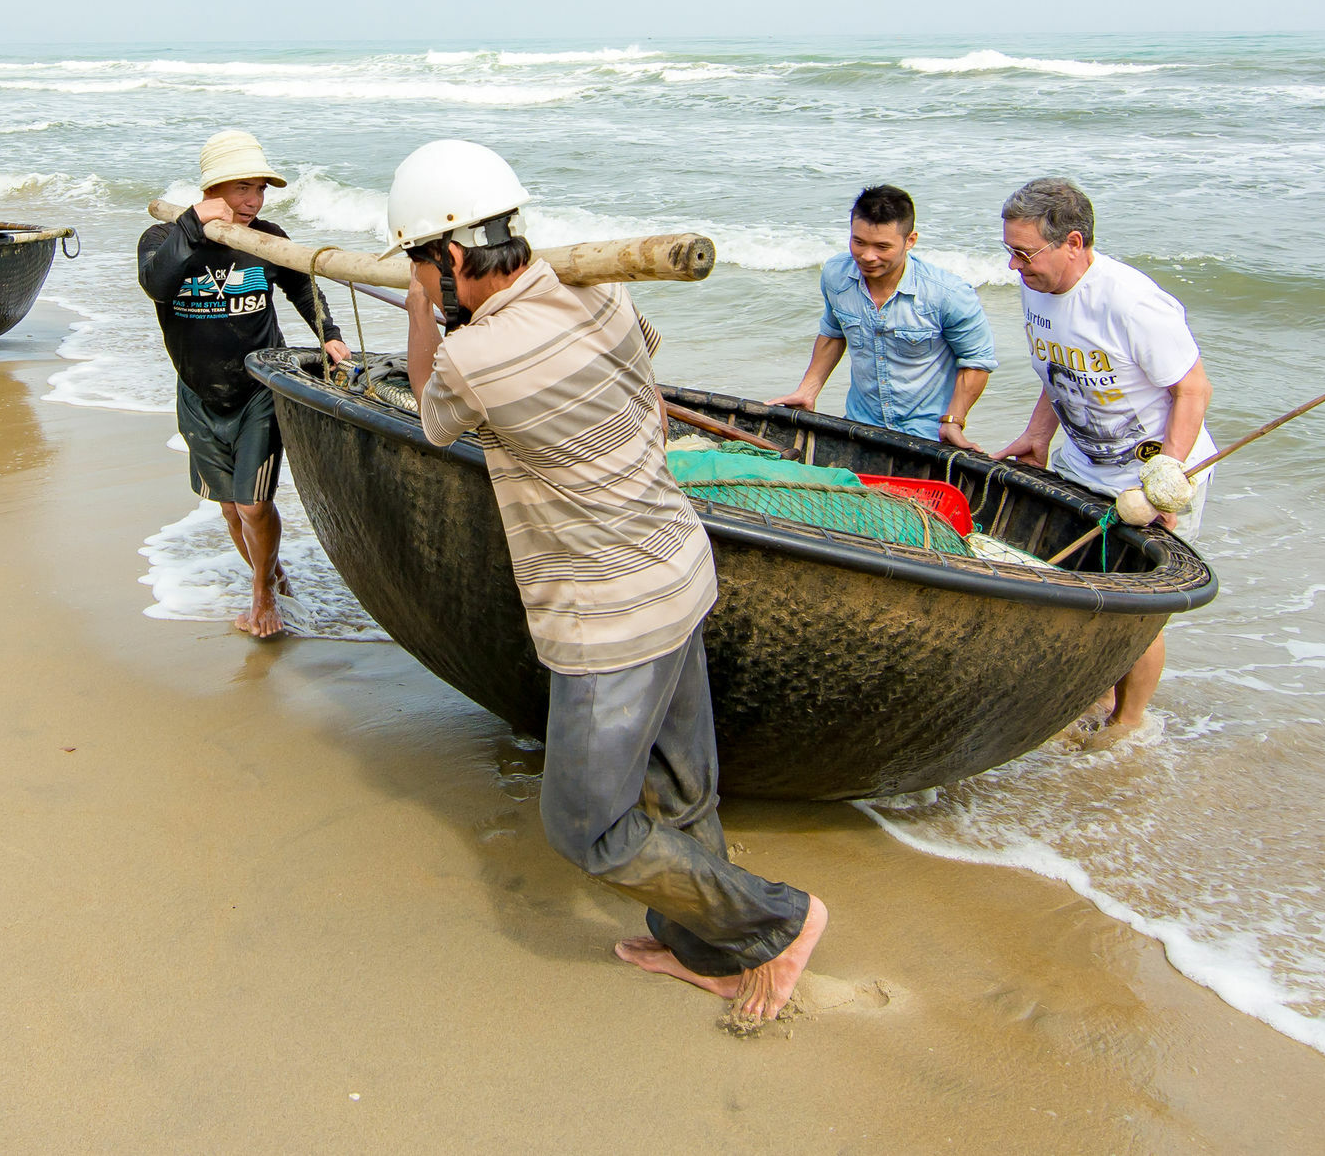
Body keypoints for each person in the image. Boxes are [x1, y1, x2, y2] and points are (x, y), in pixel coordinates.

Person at [396, 138, 826, 1025]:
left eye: (420, 262)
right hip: (677, 565)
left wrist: (420, 311)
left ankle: (778, 920)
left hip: (609, 615)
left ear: (446, 257)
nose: (421, 277)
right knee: (683, 789)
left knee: (586, 823)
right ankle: (704, 947)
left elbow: (429, 409)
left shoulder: (475, 359)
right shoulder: (605, 291)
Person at [994, 177, 1216, 744]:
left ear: (1073, 242)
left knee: (1137, 606)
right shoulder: (1037, 286)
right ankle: (1092, 691)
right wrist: (1036, 434)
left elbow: (1192, 389)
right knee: (1078, 585)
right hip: (1083, 462)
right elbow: (1058, 367)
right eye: (1009, 251)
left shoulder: (1132, 302)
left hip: (1159, 472)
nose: (1015, 267)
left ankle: (1129, 721)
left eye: (1024, 252)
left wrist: (1169, 476)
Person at [138, 130, 351, 638]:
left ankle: (262, 599)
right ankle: (272, 575)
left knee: (255, 503)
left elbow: (301, 282)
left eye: (259, 189)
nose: (253, 201)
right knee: (232, 508)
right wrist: (191, 227)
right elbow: (156, 284)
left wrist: (330, 335)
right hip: (198, 392)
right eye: (241, 189)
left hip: (257, 387)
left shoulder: (267, 237)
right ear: (213, 190)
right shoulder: (165, 238)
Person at [769, 185, 996, 448]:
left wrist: (953, 420)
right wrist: (808, 390)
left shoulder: (948, 294)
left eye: (882, 247)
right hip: (860, 425)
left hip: (927, 436)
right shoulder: (836, 275)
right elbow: (833, 333)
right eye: (859, 242)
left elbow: (977, 361)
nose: (867, 256)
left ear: (910, 240)